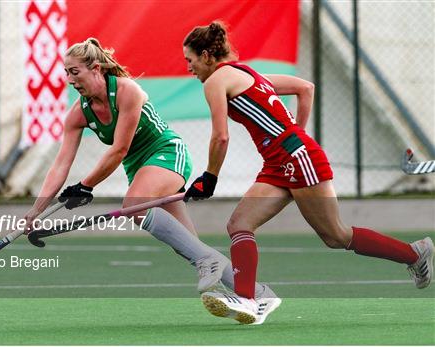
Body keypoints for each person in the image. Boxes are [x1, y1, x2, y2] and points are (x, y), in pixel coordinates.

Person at [182, 21, 434, 325]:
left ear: (207, 54)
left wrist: (209, 177)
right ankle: (251, 301)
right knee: (239, 224)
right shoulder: (249, 73)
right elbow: (305, 88)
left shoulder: (216, 81)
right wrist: (295, 134)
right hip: (281, 161)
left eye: (190, 60)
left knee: (336, 235)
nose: (189, 68)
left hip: (295, 159)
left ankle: (414, 253)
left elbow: (220, 137)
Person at [23, 38, 278, 306]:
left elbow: (119, 149)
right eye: (66, 73)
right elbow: (60, 165)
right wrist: (35, 211)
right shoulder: (79, 113)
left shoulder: (126, 91)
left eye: (75, 72)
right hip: (140, 169)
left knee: (134, 205)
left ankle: (211, 263)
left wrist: (86, 186)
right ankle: (258, 295)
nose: (70, 80)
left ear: (96, 68)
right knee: (190, 246)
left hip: (167, 153)